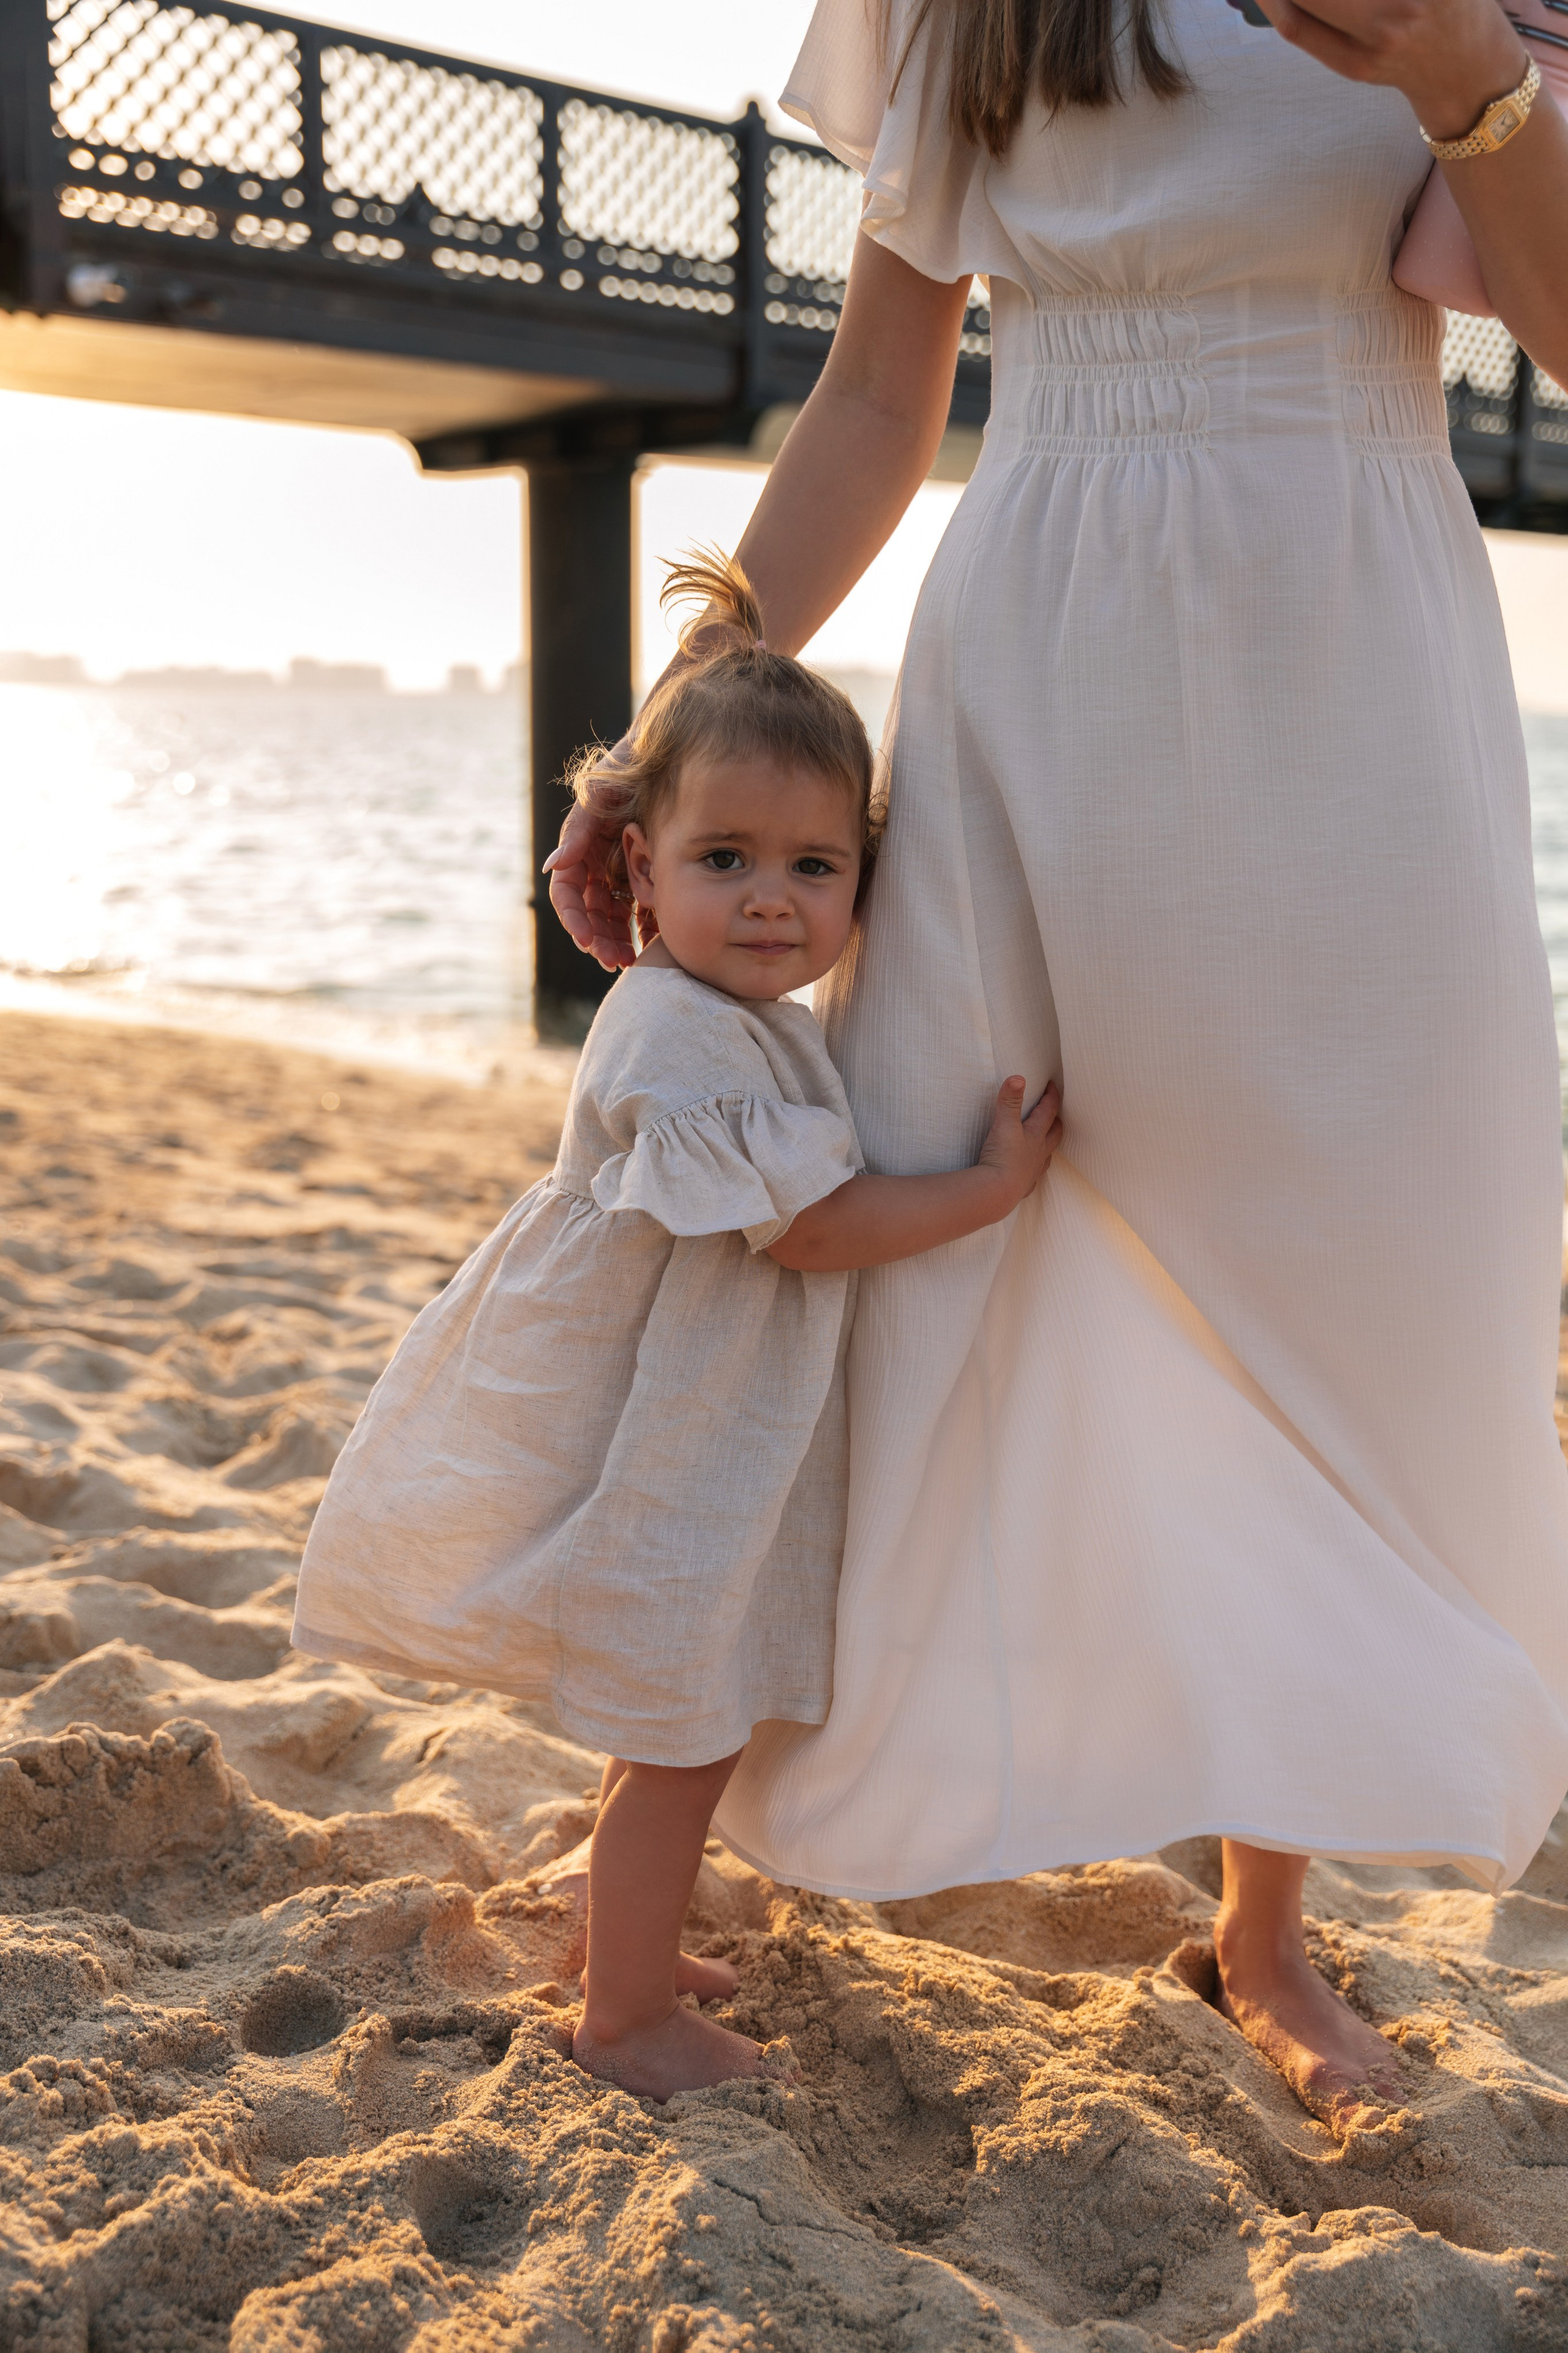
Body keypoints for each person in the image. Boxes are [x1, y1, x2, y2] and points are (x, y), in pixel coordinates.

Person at [546, 0, 1568, 2131]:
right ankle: (748, 1795)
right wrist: (669, 730)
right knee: (913, 1245)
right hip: (1035, 663)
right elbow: (877, 399)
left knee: (1348, 1289)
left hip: (1353, 658)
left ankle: (1264, 1923)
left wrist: (1471, 77)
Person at [292, 556, 1061, 2099]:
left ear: (864, 877)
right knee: (685, 1734)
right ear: (638, 869)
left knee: (670, 1711)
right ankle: (626, 2015)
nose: (771, 898)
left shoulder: (738, 1017)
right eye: (725, 859)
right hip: (669, 1430)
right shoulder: (675, 1031)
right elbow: (811, 1231)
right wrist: (987, 1191)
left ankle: (610, 1931)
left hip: (689, 1408)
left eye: (814, 867)